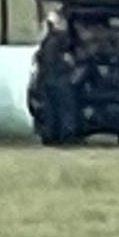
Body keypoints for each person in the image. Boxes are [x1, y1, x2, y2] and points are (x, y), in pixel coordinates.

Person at [35, 10, 80, 143]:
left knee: (51, 109)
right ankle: (66, 136)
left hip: (47, 79)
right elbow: (69, 59)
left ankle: (50, 136)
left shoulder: (46, 41)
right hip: (59, 79)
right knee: (64, 108)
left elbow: (41, 59)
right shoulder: (62, 40)